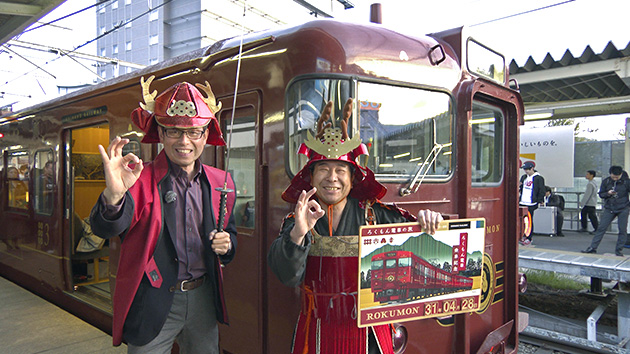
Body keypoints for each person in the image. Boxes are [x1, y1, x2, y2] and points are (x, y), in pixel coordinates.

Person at [267, 98, 443, 354]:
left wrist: (429, 220)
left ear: (352, 178)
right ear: (311, 176)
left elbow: (428, 244)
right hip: (316, 333)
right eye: (323, 169)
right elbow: (287, 276)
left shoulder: (375, 214)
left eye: (341, 170)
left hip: (370, 335)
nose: (332, 178)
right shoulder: (298, 219)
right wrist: (299, 233)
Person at [89, 77, 237, 352]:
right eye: (173, 132)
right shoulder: (137, 178)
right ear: (160, 134)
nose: (184, 141)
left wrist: (227, 245)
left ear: (205, 135)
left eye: (194, 132)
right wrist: (114, 195)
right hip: (153, 300)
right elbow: (103, 228)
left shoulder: (222, 182)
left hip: (204, 298)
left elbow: (231, 235)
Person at [582, 165, 630, 257]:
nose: (615, 178)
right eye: (613, 176)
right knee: (601, 228)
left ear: (621, 174)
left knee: (622, 230)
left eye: (617, 177)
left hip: (623, 208)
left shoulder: (626, 182)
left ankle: (619, 251)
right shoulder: (606, 181)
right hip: (610, 208)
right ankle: (593, 247)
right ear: (610, 174)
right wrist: (608, 193)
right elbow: (601, 194)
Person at [519, 161, 545, 244]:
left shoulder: (538, 178)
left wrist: (540, 200)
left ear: (532, 168)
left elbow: (541, 190)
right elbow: (520, 187)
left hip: (531, 203)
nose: (526, 171)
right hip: (522, 201)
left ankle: (529, 237)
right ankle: (522, 235)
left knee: (529, 220)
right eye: (525, 169)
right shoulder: (524, 177)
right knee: (521, 220)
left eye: (528, 169)